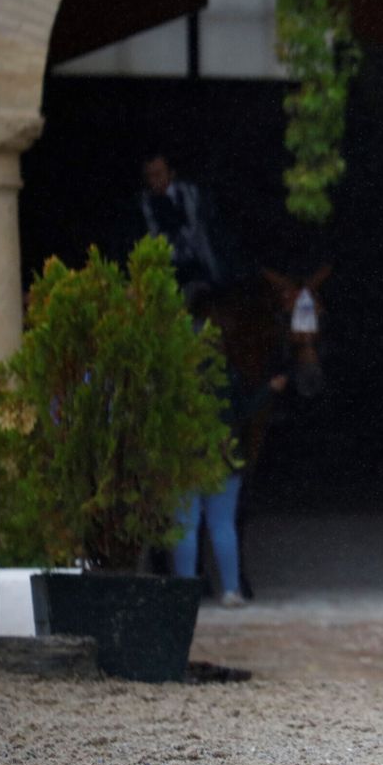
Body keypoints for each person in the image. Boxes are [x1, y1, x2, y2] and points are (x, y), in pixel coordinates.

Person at [174, 291, 288, 606]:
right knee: (222, 525)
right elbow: (244, 409)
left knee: (184, 527)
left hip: (184, 457)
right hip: (224, 456)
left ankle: (184, 593)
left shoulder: (172, 378)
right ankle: (231, 590)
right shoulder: (226, 373)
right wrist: (270, 389)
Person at [138, 149, 228, 295]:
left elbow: (203, 233)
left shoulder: (193, 194)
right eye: (149, 176)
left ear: (171, 173)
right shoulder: (145, 205)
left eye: (158, 174)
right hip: (172, 274)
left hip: (204, 267)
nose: (153, 181)